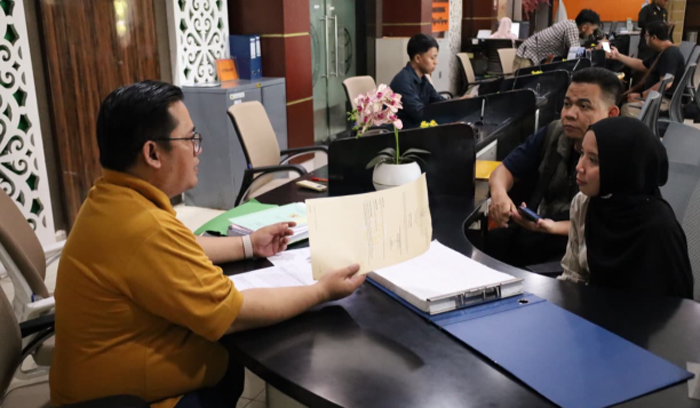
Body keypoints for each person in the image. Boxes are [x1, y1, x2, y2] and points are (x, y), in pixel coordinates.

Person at [49, 81, 366, 408]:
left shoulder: (110, 198)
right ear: (152, 153)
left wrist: (248, 245)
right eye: (190, 139)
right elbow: (234, 312)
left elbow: (181, 246)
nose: (197, 150)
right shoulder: (143, 228)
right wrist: (320, 291)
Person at [485, 68, 622, 267]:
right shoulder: (555, 132)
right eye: (567, 104)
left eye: (584, 106)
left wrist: (552, 227)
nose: (570, 114)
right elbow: (504, 170)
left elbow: (606, 224)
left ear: (611, 114)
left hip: (577, 248)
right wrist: (499, 195)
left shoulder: (620, 154)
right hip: (536, 230)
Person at [559, 116, 693, 298]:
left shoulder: (657, 227)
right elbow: (573, 277)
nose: (579, 167)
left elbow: (671, 307)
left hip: (645, 315)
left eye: (594, 160)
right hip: (591, 310)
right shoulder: (585, 203)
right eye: (582, 154)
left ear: (621, 167)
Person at [390, 34, 469, 129]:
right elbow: (420, 114)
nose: (436, 62)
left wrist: (459, 102)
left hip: (420, 127)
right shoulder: (403, 81)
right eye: (432, 58)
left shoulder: (422, 78)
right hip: (407, 131)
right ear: (418, 58)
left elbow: (438, 100)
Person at [609, 21, 685, 117]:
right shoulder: (662, 51)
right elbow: (641, 65)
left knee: (626, 109)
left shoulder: (670, 55)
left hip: (664, 101)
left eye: (646, 36)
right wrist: (618, 56)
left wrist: (641, 96)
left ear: (654, 38)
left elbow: (666, 84)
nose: (645, 39)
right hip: (656, 97)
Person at [512, 9, 601, 72]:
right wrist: (595, 49)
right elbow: (576, 54)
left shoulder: (571, 25)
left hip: (531, 55)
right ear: (584, 27)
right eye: (592, 30)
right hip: (527, 56)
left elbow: (574, 52)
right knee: (520, 86)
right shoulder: (571, 28)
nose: (592, 33)